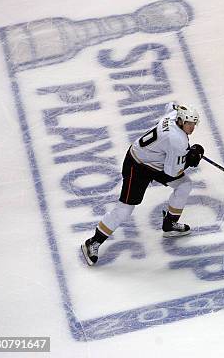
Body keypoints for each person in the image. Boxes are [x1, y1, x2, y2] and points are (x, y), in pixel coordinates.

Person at [81, 102, 205, 266]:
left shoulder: (173, 116)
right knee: (125, 210)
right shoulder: (177, 141)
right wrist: (189, 160)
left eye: (194, 124)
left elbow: (170, 106)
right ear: (181, 121)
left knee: (184, 185)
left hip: (155, 161)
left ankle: (169, 224)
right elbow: (171, 172)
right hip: (137, 166)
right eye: (190, 124)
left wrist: (185, 154)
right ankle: (93, 242)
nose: (192, 128)